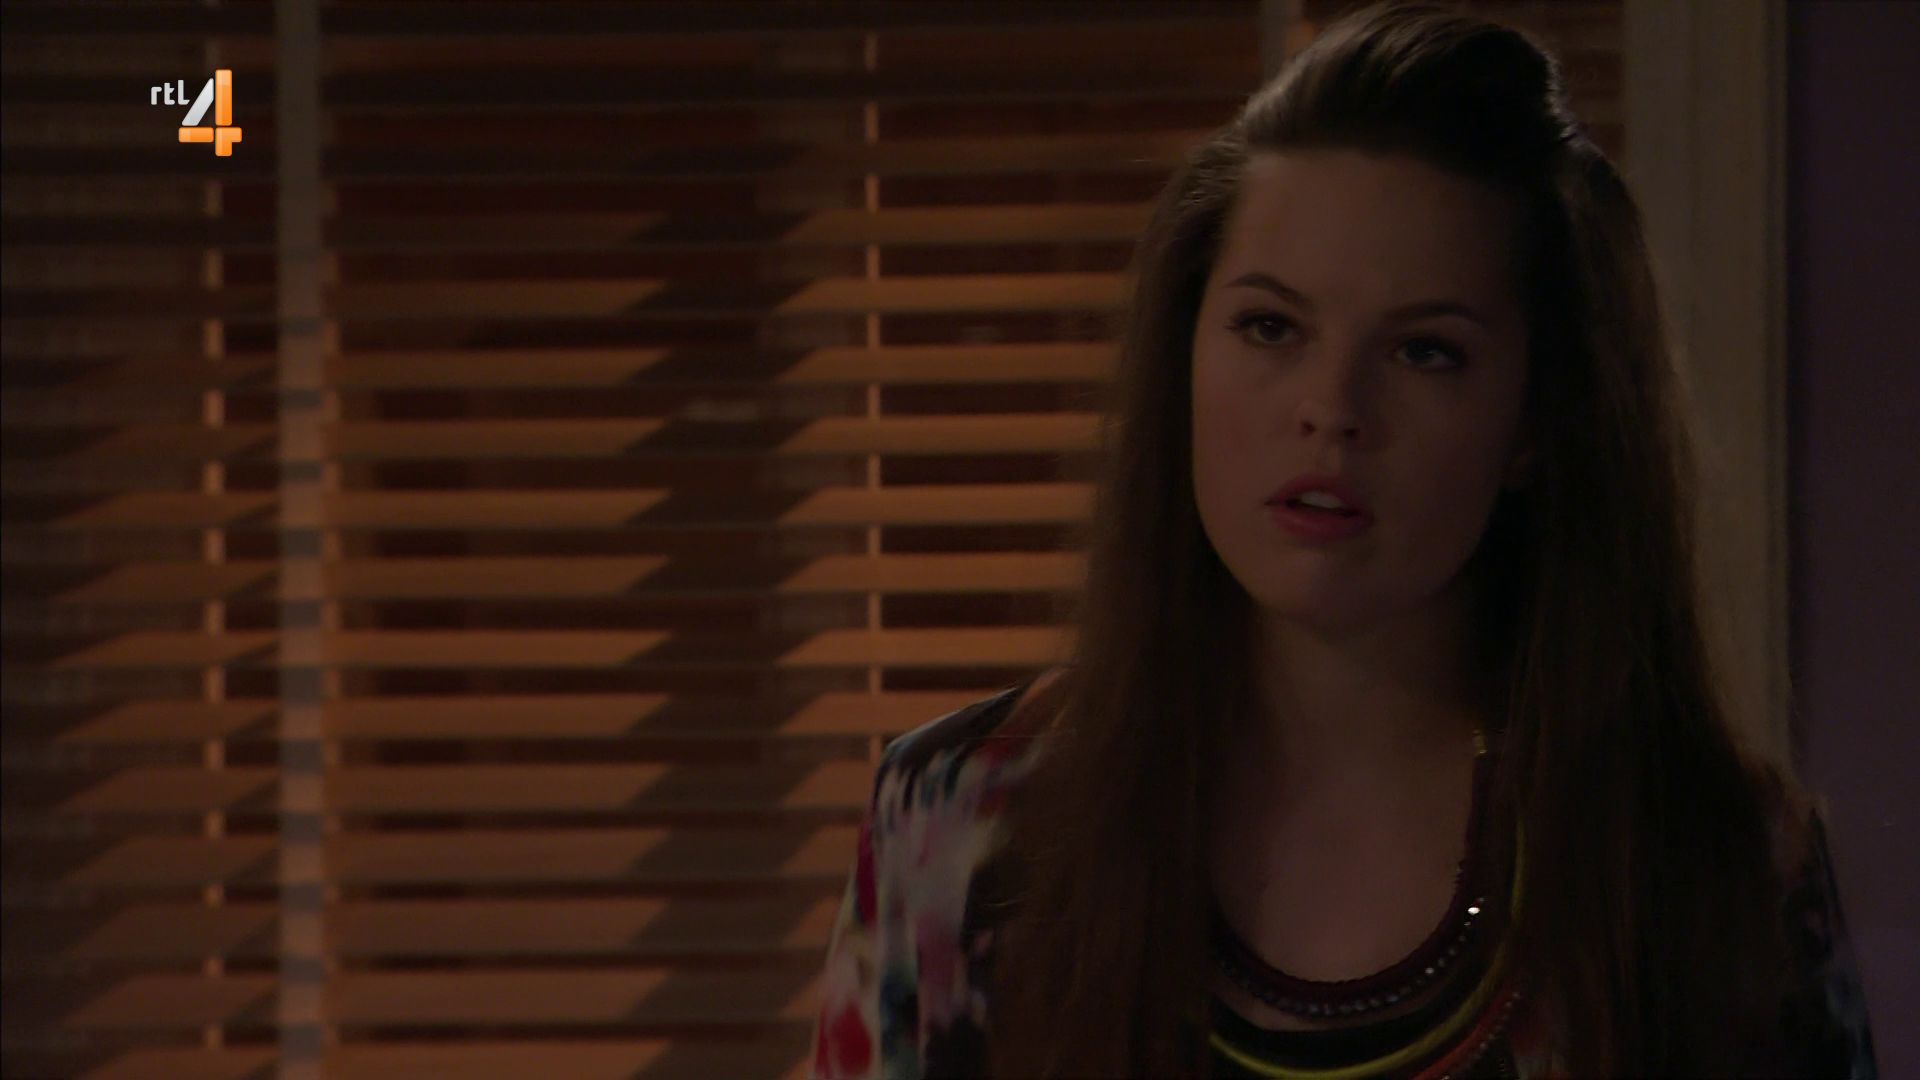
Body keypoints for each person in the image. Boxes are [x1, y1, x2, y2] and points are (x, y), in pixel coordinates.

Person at [808, 3, 1879, 1077]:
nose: (1332, 409)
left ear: (1536, 422)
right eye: (1270, 327)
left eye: (1425, 352)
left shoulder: (1710, 863)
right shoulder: (963, 819)